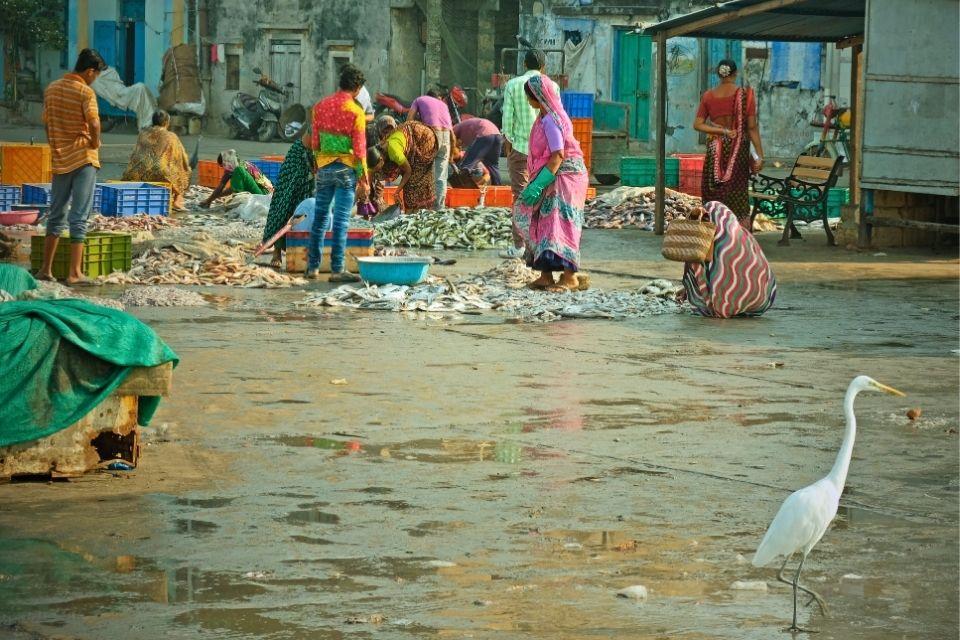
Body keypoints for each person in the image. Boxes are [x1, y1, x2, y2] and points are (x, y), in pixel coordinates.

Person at [37, 48, 107, 285]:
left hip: (60, 159)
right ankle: (75, 273)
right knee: (79, 216)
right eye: (96, 75)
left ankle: (45, 269)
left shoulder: (51, 88)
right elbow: (94, 123)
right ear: (90, 71)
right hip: (83, 158)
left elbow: (46, 123)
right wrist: (95, 143)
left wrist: (56, 144)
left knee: (56, 214)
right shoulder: (85, 92)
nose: (94, 80)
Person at [515, 75, 589, 293]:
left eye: (529, 97)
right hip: (551, 175)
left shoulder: (551, 120)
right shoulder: (543, 117)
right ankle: (545, 275)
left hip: (565, 177)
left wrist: (538, 184)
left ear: (539, 97)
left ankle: (570, 277)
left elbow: (558, 155)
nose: (528, 101)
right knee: (542, 223)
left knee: (561, 224)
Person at [305, 63, 369, 282]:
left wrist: (318, 164)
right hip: (345, 169)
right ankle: (336, 269)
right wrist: (364, 178)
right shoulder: (356, 111)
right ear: (357, 88)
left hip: (323, 167)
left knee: (320, 217)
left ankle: (312, 267)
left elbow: (315, 142)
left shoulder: (320, 106)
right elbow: (359, 150)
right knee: (341, 220)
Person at [501, 49, 560, 259]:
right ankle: (542, 242)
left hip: (520, 148)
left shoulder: (512, 85)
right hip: (546, 153)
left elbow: (507, 117)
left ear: (524, 64)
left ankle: (520, 246)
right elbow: (557, 116)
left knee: (520, 197)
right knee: (543, 196)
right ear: (543, 66)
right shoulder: (552, 86)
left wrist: (508, 142)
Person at [693, 59, 764, 228]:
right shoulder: (746, 95)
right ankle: (737, 232)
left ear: (718, 74)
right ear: (735, 73)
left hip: (715, 149)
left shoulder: (708, 96)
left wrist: (721, 131)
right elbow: (752, 127)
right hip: (739, 149)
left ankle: (714, 228)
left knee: (715, 189)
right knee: (736, 191)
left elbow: (697, 124)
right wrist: (760, 155)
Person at [680, 201, 777, 318]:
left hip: (732, 300)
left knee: (710, 266)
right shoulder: (741, 236)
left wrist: (689, 287)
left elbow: (704, 271)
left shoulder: (723, 246)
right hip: (759, 300)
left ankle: (723, 305)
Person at [258, 128, 316, 268]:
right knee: (284, 204)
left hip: (314, 164)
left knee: (305, 209)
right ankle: (277, 251)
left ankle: (300, 251)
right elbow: (314, 142)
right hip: (298, 159)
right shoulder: (321, 123)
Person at [120, 109, 191, 211]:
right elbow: (182, 157)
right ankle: (177, 199)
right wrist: (187, 168)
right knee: (183, 170)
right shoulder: (171, 136)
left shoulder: (143, 133)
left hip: (136, 172)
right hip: (160, 174)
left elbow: (135, 153)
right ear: (166, 122)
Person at [378, 119, 439, 211]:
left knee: (413, 182)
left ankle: (417, 211)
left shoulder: (393, 151)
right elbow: (372, 172)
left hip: (424, 139)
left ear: (381, 159)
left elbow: (408, 171)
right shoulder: (379, 149)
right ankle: (415, 210)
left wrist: (397, 191)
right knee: (411, 181)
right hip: (414, 136)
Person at [407, 92, 452, 209]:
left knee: (422, 171)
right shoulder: (443, 105)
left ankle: (421, 206)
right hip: (446, 136)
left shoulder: (419, 99)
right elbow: (452, 132)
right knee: (441, 176)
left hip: (432, 134)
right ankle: (439, 208)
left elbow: (409, 121)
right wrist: (451, 154)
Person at [200, 150, 273, 208]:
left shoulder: (238, 169)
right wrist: (211, 199)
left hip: (264, 197)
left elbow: (231, 189)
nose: (224, 168)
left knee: (236, 195)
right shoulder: (241, 164)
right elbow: (223, 185)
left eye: (223, 165)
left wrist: (209, 200)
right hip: (267, 194)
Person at [452, 117, 503, 185]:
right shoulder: (466, 131)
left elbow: (451, 143)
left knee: (467, 164)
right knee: (492, 165)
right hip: (497, 134)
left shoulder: (454, 129)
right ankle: (497, 186)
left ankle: (463, 186)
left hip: (484, 133)